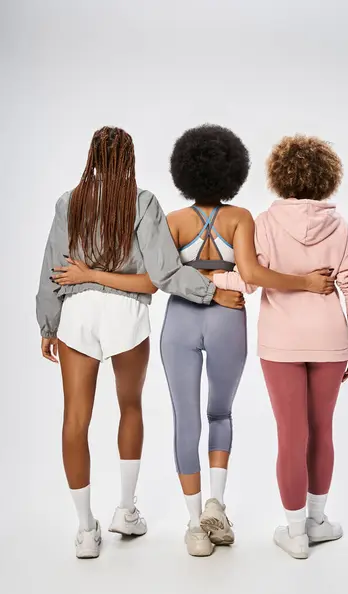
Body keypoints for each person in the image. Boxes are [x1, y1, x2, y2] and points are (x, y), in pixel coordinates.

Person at [36, 126, 244, 559]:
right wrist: (211, 292)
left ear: (91, 155)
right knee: (130, 407)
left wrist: (48, 324)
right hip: (127, 313)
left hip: (77, 314)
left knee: (75, 420)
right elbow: (163, 275)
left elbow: (52, 270)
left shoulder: (68, 202)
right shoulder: (143, 201)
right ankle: (126, 510)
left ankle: (84, 530)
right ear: (129, 159)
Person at [159, 125, 336, 557]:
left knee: (185, 417)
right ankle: (216, 506)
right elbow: (252, 276)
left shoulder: (174, 221)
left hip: (179, 320)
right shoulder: (239, 218)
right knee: (220, 413)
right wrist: (307, 283)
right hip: (227, 317)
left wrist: (196, 279)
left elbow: (159, 277)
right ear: (232, 172)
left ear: (183, 171)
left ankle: (194, 524)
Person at [212, 135, 348, 559]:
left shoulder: (263, 222)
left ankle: (296, 531)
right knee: (322, 430)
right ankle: (318, 521)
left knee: (291, 433)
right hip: (330, 340)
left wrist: (207, 281)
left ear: (280, 176)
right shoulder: (341, 226)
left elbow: (246, 278)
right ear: (326, 177)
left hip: (280, 342)